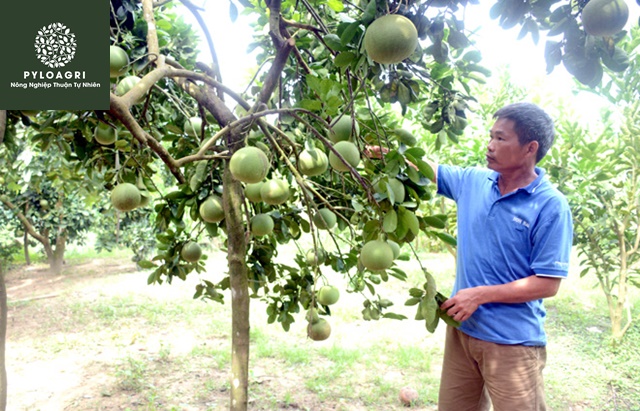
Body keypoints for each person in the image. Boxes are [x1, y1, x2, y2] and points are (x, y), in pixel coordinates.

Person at [432, 102, 573, 411]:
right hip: (463, 333)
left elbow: (548, 284)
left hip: (512, 343)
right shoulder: (473, 182)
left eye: (500, 138)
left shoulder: (550, 206)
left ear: (529, 148)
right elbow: (429, 170)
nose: (490, 145)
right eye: (491, 136)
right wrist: (388, 153)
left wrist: (479, 295)